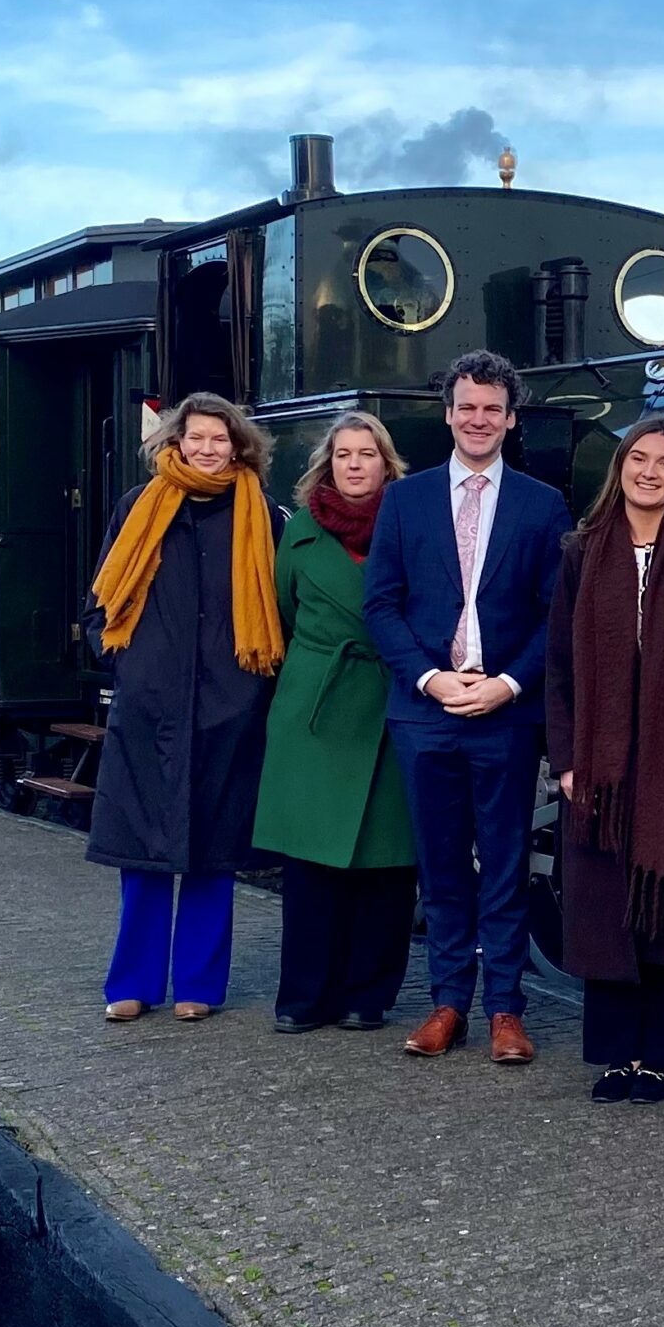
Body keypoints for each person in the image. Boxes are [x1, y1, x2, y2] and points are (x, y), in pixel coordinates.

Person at [362, 351, 573, 1064]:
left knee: (508, 863)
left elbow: (557, 617)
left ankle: (507, 1010)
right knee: (442, 863)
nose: (479, 419)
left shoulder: (543, 505)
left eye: (492, 409)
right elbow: (381, 606)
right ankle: (448, 1001)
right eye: (467, 407)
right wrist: (429, 679)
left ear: (511, 420)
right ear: (448, 414)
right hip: (426, 713)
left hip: (506, 713)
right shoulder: (406, 499)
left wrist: (509, 684)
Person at [85, 392, 286, 1023]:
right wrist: (123, 661)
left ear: (238, 446)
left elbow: (280, 604)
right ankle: (134, 982)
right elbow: (104, 594)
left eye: (219, 439)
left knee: (213, 850)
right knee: (142, 849)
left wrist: (253, 687)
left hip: (230, 703)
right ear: (174, 441)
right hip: (152, 700)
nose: (207, 448)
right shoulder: (137, 507)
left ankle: (199, 983)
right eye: (195, 437)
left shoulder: (264, 515)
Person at [544, 416, 664, 1103]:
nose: (650, 471)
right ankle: (618, 1054)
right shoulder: (582, 550)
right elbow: (558, 664)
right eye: (639, 459)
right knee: (605, 906)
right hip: (601, 766)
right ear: (620, 467)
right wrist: (565, 758)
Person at [252, 412, 418, 1035]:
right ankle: (302, 995)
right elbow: (286, 611)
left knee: (387, 862)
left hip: (392, 700)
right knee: (311, 861)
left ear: (385, 464)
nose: (354, 464)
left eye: (367, 454)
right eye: (344, 453)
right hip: (317, 708)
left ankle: (367, 995)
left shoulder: (410, 527)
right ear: (328, 462)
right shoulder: (296, 538)